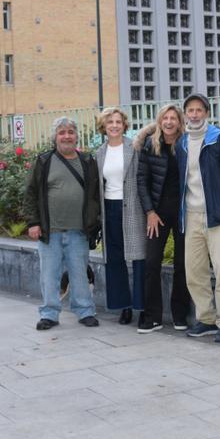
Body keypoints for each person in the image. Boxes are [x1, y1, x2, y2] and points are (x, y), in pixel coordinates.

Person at [177, 93, 220, 343]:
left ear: (206, 112)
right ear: (186, 114)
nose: (194, 115)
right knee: (194, 272)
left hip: (217, 216)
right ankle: (205, 319)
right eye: (190, 110)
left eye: (199, 110)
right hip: (192, 215)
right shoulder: (182, 143)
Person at [24, 117, 101, 330]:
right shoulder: (44, 161)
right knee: (50, 275)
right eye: (62, 132)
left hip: (79, 231)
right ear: (55, 137)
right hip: (51, 231)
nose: (66, 136)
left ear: (76, 136)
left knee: (79, 273)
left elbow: (95, 194)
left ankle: (85, 311)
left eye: (70, 132)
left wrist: (95, 221)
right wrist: (33, 222)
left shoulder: (87, 161)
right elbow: (30, 194)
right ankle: (49, 314)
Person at [134, 103, 190, 333]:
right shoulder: (150, 145)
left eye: (173, 118)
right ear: (160, 121)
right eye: (165, 118)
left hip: (183, 214)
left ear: (179, 122)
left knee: (182, 265)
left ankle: (180, 316)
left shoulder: (186, 145)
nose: (169, 122)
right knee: (151, 264)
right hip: (157, 214)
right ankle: (153, 317)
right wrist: (150, 212)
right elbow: (141, 181)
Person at [95, 107, 146, 326]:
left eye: (118, 121)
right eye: (110, 122)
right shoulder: (100, 152)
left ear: (124, 125)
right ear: (103, 127)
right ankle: (123, 306)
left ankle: (142, 306)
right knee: (114, 259)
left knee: (138, 257)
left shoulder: (134, 147)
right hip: (110, 208)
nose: (114, 125)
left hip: (133, 207)